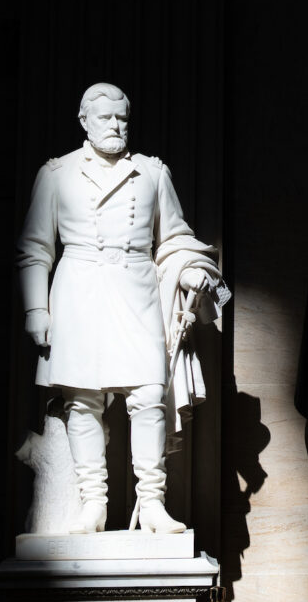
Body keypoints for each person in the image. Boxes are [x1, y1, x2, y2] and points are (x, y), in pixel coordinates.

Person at [18, 82, 223, 534]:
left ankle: (151, 501)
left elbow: (173, 238)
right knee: (83, 401)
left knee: (149, 395)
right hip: (78, 293)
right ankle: (94, 503)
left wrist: (190, 269)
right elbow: (35, 248)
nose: (115, 126)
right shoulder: (56, 174)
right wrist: (37, 309)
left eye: (122, 118)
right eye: (106, 117)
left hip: (137, 291)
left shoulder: (152, 173)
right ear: (84, 120)